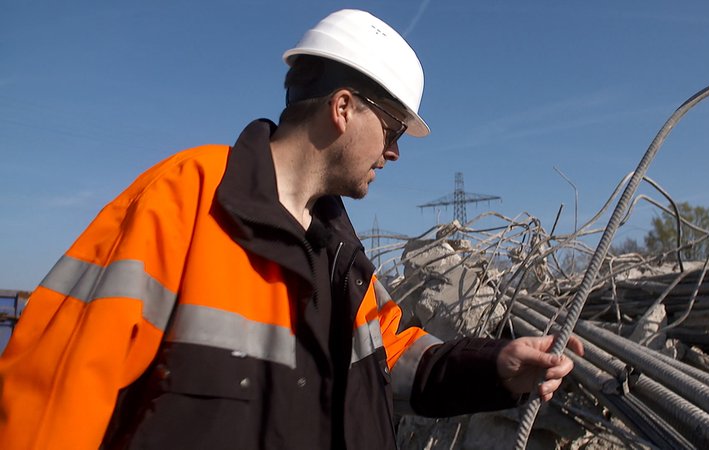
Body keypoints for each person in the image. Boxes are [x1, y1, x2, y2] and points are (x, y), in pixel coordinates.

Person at [0, 9, 583, 450]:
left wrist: (497, 366)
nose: (396, 153)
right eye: (393, 131)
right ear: (343, 108)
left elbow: (395, 358)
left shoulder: (342, 256)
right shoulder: (183, 200)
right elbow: (50, 398)